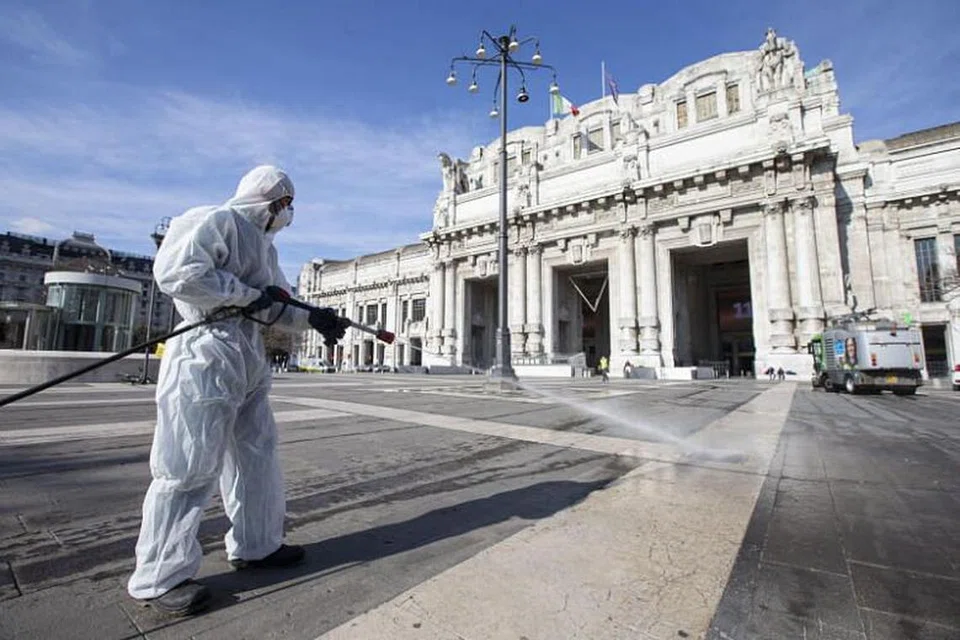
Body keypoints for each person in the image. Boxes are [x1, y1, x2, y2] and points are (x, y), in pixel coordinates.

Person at [127, 165, 350, 616]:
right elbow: (177, 274)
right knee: (187, 465)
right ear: (269, 200)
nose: (285, 215)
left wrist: (315, 317)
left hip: (246, 358)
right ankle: (158, 576)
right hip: (204, 354)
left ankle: (257, 544)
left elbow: (279, 303)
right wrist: (247, 295)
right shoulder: (212, 220)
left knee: (256, 455)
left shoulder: (266, 248)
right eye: (283, 206)